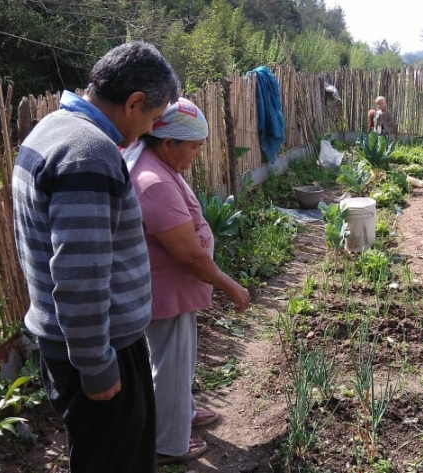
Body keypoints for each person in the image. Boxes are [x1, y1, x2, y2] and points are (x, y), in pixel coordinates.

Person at [12, 41, 180, 473]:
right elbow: (78, 276)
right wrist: (97, 366)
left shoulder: (51, 128)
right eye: (150, 119)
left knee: (95, 454)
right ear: (134, 102)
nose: (146, 132)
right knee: (116, 462)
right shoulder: (90, 153)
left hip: (74, 342)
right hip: (98, 348)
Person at [122, 98, 251, 464]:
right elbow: (189, 255)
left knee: (176, 360)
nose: (195, 155)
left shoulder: (155, 165)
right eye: (193, 147)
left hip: (171, 290)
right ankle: (167, 443)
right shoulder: (152, 182)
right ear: (168, 143)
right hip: (167, 292)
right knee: (170, 363)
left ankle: (182, 413)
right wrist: (232, 288)